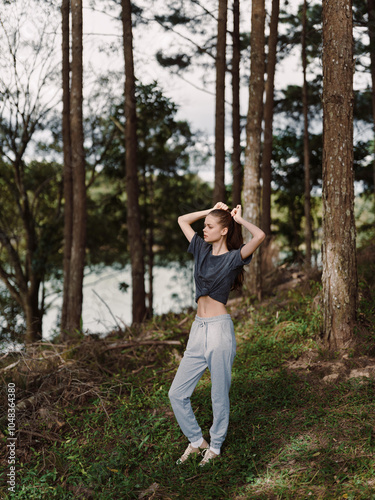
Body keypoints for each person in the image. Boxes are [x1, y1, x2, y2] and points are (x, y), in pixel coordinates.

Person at [168, 202, 266, 467]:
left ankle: (216, 446)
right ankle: (197, 441)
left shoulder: (234, 258)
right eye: (204, 226)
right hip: (198, 329)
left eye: (210, 226)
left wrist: (239, 219)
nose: (204, 230)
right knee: (176, 393)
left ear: (223, 231)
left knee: (218, 393)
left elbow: (259, 237)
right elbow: (181, 219)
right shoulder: (200, 249)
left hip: (220, 330)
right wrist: (209, 210)